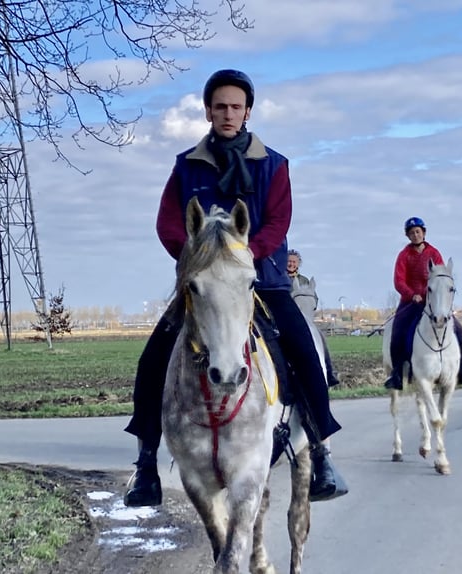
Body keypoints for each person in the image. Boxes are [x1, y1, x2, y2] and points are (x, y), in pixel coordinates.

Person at [124, 69, 348, 507]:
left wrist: (241, 258)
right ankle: (146, 463)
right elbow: (169, 223)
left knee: (303, 349)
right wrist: (199, 262)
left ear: (248, 111)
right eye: (220, 106)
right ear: (208, 111)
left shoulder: (275, 165)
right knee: (153, 358)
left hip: (262, 279)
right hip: (205, 286)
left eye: (235, 106)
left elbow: (279, 221)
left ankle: (321, 451)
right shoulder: (186, 165)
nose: (228, 113)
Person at [384, 217, 462, 390]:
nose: (415, 235)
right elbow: (398, 281)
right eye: (412, 233)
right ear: (408, 236)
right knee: (397, 331)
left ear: (423, 233)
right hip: (411, 303)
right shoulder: (404, 256)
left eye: (418, 232)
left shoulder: (434, 253)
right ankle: (397, 374)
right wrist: (411, 294)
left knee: (460, 331)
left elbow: (442, 278)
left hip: (434, 303)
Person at [287, 249, 340, 387]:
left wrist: (312, 305)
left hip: (305, 316)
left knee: (320, 337)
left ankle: (329, 372)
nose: (291, 264)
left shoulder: (304, 280)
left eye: (294, 262)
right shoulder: (280, 278)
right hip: (286, 315)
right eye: (289, 261)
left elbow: (314, 298)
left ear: (298, 264)